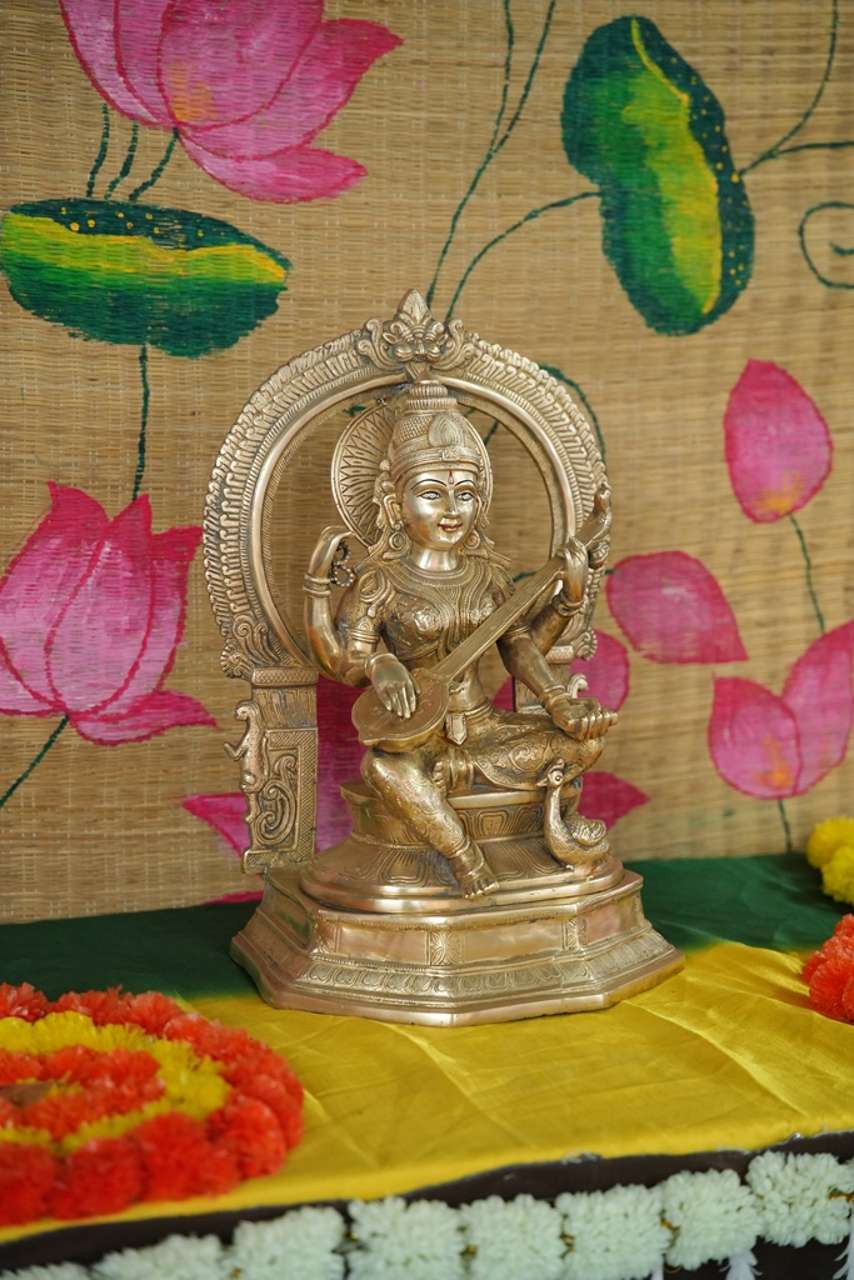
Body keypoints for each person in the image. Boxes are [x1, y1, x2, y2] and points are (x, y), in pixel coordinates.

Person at [305, 380, 615, 897]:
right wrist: (379, 663)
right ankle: (463, 855)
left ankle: (461, 777)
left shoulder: (487, 576)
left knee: (585, 741)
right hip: (415, 739)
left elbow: (520, 647)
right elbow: (344, 660)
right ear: (394, 503)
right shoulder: (379, 581)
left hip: (483, 729)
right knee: (385, 768)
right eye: (432, 493)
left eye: (465, 494)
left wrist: (568, 611)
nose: (451, 509)